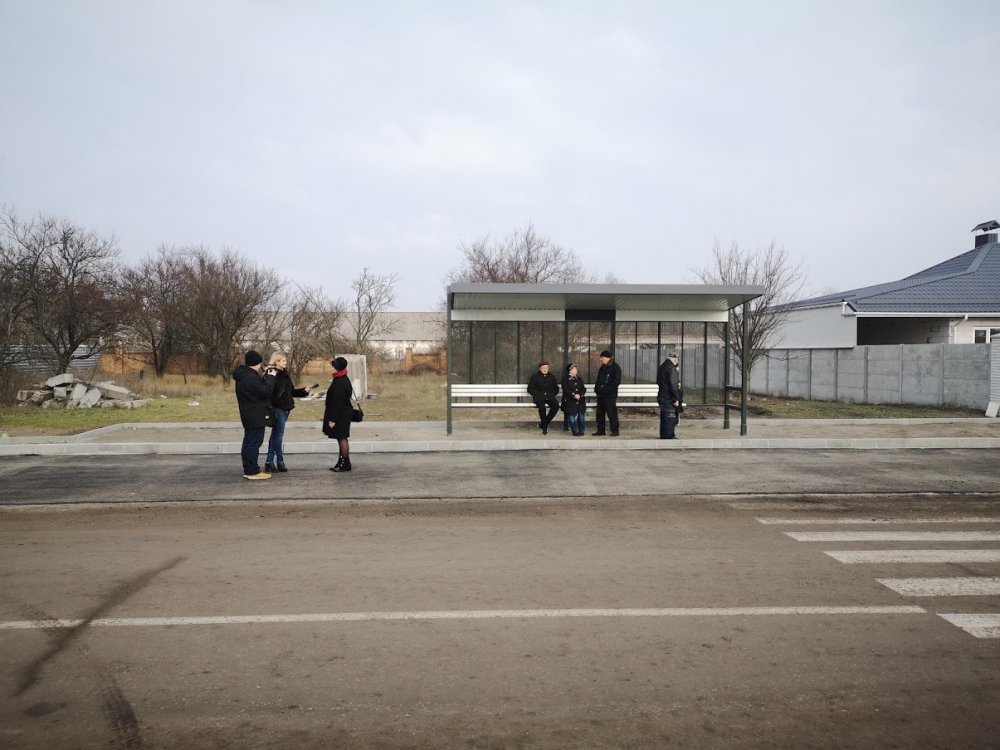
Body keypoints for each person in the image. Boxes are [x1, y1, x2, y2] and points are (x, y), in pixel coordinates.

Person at [264, 351, 315, 473]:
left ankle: (269, 462)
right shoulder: (271, 374)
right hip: (277, 408)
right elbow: (269, 392)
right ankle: (279, 461)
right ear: (276, 361)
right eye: (283, 361)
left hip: (286, 408)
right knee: (278, 435)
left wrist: (304, 391)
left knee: (275, 435)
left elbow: (291, 392)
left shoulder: (285, 374)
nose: (286, 362)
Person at [233, 350, 276, 480]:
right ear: (258, 363)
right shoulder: (251, 378)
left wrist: (264, 375)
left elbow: (256, 390)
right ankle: (252, 471)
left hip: (248, 413)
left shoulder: (243, 375)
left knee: (248, 442)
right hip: (255, 415)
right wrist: (271, 377)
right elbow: (265, 392)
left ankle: (248, 469)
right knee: (254, 443)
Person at [323, 356, 354, 472]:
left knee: (342, 438)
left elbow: (337, 402)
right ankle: (343, 461)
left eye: (333, 366)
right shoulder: (342, 378)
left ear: (337, 368)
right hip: (344, 413)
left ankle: (345, 463)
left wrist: (333, 419)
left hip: (341, 414)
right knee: (341, 437)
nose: (331, 368)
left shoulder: (340, 382)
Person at [592, 350, 622, 436]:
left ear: (607, 358)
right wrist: (597, 389)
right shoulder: (603, 367)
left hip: (609, 396)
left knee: (611, 414)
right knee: (599, 414)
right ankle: (601, 430)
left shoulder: (615, 367)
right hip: (601, 395)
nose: (600, 359)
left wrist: (606, 389)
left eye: (602, 358)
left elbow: (616, 381)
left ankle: (615, 430)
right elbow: (599, 380)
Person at [527, 360, 560, 435]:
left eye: (546, 368)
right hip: (539, 397)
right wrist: (538, 394)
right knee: (542, 408)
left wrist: (552, 394)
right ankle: (545, 428)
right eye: (543, 368)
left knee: (556, 406)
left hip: (549, 397)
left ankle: (543, 424)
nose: (545, 369)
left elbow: (556, 388)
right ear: (540, 368)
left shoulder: (552, 377)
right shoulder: (535, 377)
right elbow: (530, 389)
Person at [657, 351, 683, 439]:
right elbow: (674, 385)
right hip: (669, 398)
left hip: (662, 396)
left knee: (664, 418)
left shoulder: (662, 367)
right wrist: (676, 398)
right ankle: (668, 437)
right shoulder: (672, 368)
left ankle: (664, 435)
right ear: (675, 360)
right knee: (670, 417)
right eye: (677, 361)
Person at [561, 362, 587, 436]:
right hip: (569, 400)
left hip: (580, 400)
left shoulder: (579, 379)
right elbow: (566, 389)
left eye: (576, 369)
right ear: (570, 370)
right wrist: (574, 395)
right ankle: (574, 431)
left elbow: (583, 389)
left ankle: (581, 430)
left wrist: (580, 394)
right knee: (571, 416)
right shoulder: (565, 379)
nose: (576, 370)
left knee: (581, 415)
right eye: (574, 369)